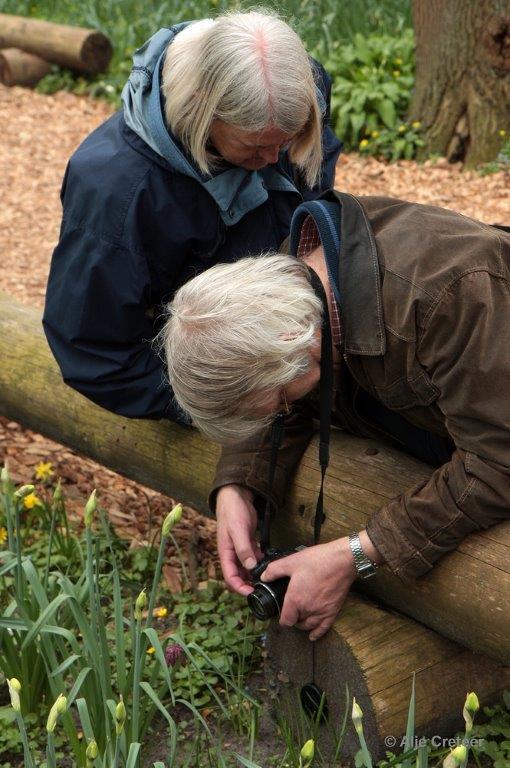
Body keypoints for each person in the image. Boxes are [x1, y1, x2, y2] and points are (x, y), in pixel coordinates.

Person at [162, 190, 510, 641]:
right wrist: (238, 485)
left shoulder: (445, 298)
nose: (286, 410)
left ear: (301, 346)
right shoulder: (295, 285)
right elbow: (276, 386)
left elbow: (499, 462)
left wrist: (356, 554)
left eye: (283, 402)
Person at [42, 10, 342, 423]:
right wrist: (224, 403)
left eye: (287, 142)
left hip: (301, 353)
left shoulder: (286, 90)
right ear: (203, 112)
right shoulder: (117, 193)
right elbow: (94, 352)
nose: (275, 159)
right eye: (255, 149)